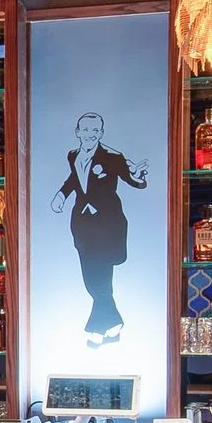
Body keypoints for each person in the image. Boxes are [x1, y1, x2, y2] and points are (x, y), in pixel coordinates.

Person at [55, 111, 147, 347]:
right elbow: (74, 180)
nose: (90, 135)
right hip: (82, 226)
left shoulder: (113, 157)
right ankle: (113, 326)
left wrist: (138, 176)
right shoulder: (72, 155)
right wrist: (62, 195)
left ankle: (96, 332)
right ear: (78, 132)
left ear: (101, 133)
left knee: (101, 281)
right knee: (91, 280)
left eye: (95, 131)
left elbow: (132, 179)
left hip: (108, 226)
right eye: (85, 130)